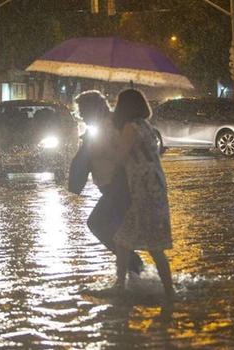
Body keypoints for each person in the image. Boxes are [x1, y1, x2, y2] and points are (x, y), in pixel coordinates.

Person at [69, 90, 144, 275]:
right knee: (116, 230)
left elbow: (124, 154)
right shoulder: (96, 128)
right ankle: (130, 275)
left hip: (119, 188)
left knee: (98, 223)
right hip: (111, 189)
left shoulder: (113, 125)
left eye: (84, 113)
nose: (83, 118)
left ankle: (134, 267)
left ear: (94, 109)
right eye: (81, 114)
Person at [112, 89, 174, 299]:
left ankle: (169, 292)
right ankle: (122, 286)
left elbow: (120, 158)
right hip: (155, 187)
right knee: (124, 240)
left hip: (142, 191)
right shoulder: (147, 126)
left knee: (153, 247)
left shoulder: (130, 128)